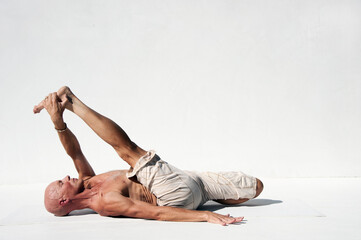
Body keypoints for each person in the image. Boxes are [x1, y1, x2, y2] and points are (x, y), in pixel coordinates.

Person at [33, 86, 264, 226]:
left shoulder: (87, 181)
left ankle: (206, 196)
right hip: (169, 194)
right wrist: (204, 218)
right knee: (129, 151)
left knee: (257, 187)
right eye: (60, 183)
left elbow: (74, 152)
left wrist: (58, 123)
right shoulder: (104, 201)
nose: (65, 176)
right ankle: (72, 100)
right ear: (64, 201)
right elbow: (157, 213)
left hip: (194, 185)